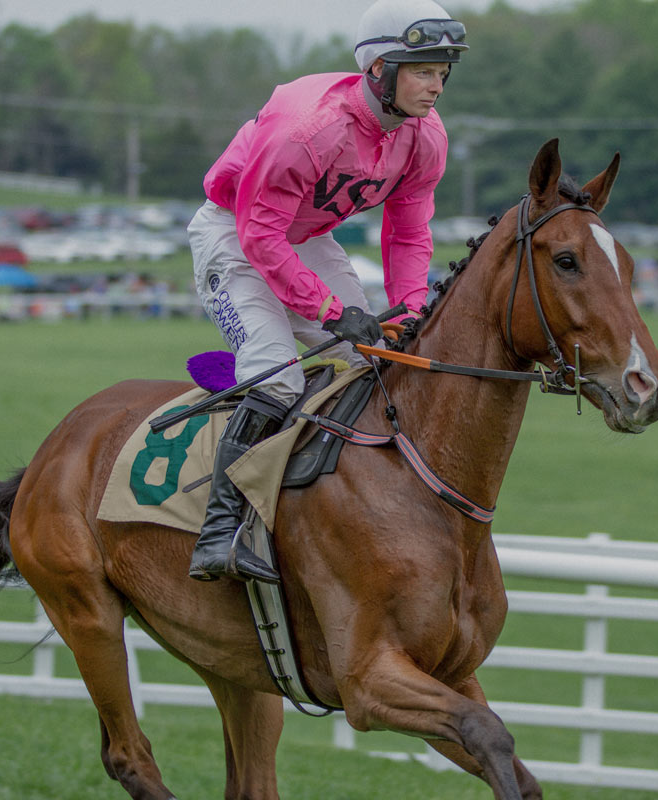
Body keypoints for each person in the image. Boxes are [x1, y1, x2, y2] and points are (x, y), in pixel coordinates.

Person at [185, 0, 468, 583]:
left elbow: (409, 231)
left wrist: (414, 309)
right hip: (234, 233)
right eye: (421, 70)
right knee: (276, 372)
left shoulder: (425, 136)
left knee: (371, 360)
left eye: (442, 71)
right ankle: (219, 530)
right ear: (377, 70)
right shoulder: (308, 130)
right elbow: (260, 237)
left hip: (305, 238)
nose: (436, 85)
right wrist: (331, 310)